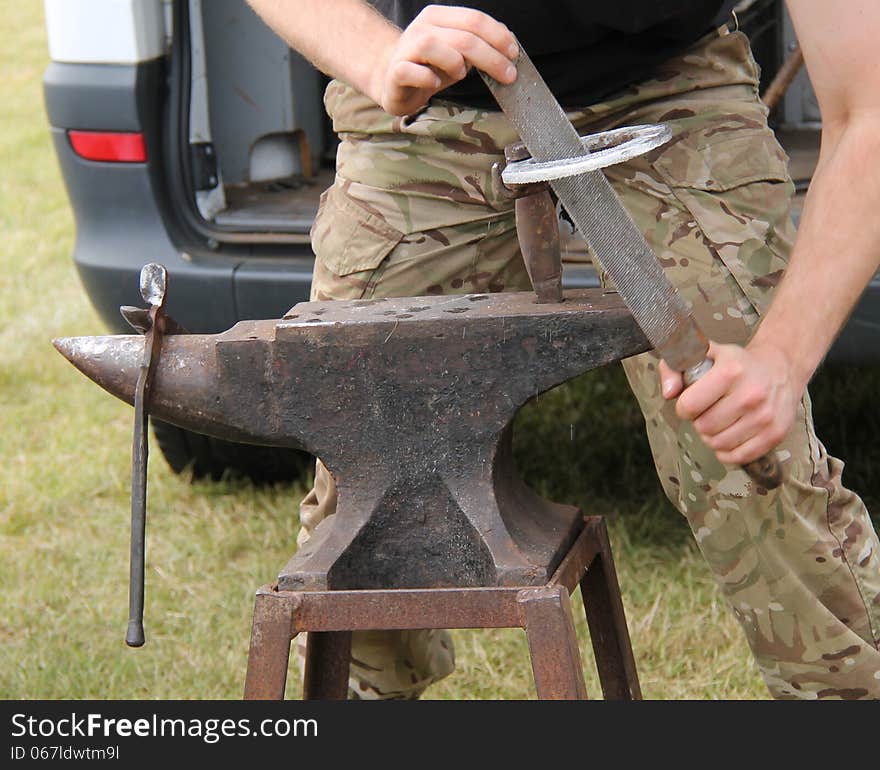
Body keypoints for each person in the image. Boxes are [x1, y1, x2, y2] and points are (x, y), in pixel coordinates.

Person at [244, 0, 880, 699]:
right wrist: (373, 55)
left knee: (751, 456)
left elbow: (870, 107)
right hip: (424, 99)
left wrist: (782, 359)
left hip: (668, 85)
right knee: (370, 470)